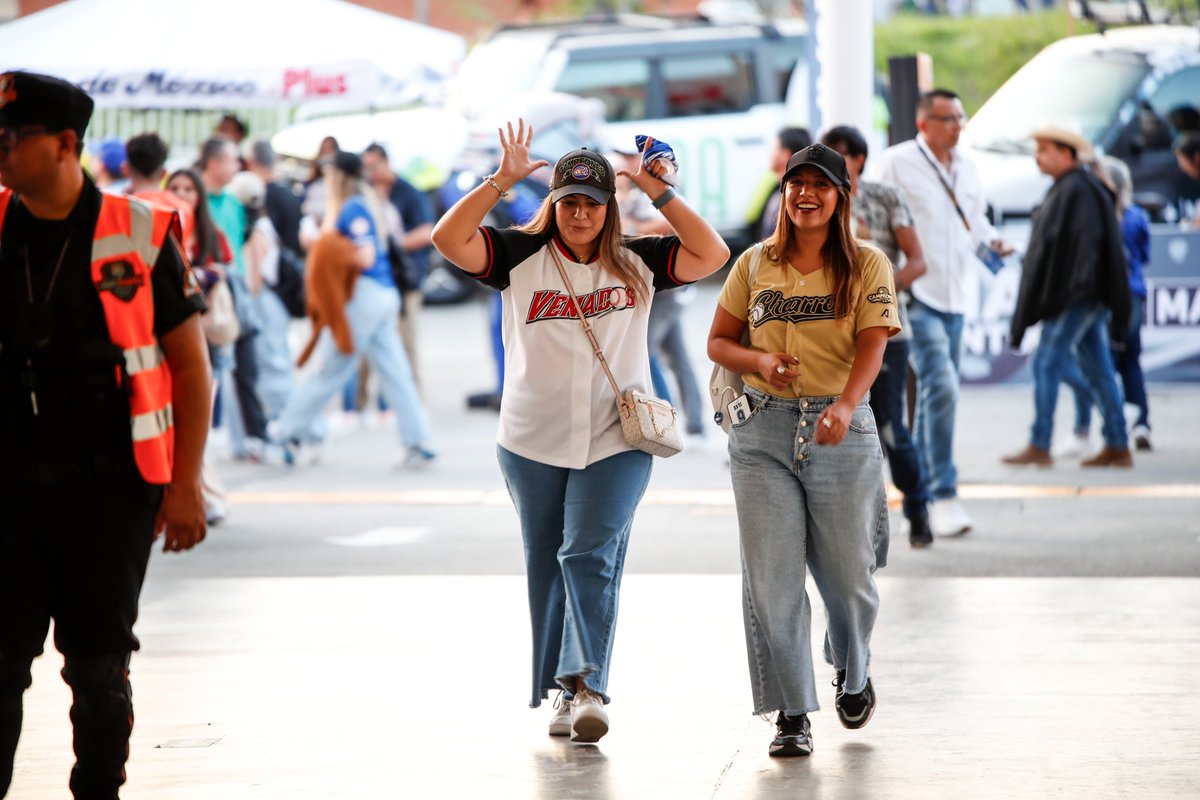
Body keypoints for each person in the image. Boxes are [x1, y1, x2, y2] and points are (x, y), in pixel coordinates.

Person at [431, 121, 729, 744]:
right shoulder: (517, 256)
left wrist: (661, 194)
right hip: (530, 441)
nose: (580, 215)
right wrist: (499, 181)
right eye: (569, 203)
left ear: (610, 209)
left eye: (593, 205)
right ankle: (562, 693)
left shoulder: (640, 262)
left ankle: (587, 688)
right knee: (549, 562)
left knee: (585, 553)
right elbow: (448, 238)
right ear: (553, 204)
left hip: (618, 439)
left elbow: (712, 255)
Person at [0, 71, 210, 799]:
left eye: (13, 138)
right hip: (8, 495)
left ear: (64, 144)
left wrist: (185, 486)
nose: (1, 150)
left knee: (96, 672)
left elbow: (190, 369)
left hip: (110, 492)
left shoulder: (141, 231)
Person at [707, 143, 897, 758]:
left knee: (848, 576)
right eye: (796, 184)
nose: (806, 194)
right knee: (772, 580)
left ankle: (853, 666)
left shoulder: (868, 264)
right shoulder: (753, 264)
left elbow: (873, 343)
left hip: (840, 428)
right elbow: (718, 342)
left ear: (842, 196)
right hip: (761, 431)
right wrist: (759, 359)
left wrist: (845, 404)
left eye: (821, 185)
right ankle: (791, 711)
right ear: (783, 194)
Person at [878, 88, 1011, 537]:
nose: (958, 125)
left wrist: (992, 241)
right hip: (918, 295)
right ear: (924, 123)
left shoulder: (969, 166)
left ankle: (922, 486)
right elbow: (875, 217)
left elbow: (975, 221)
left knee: (940, 393)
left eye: (961, 116)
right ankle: (942, 491)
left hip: (958, 295)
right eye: (948, 118)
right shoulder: (896, 162)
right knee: (943, 387)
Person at [271, 151, 436, 468]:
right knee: (395, 371)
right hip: (381, 295)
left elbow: (365, 257)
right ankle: (419, 440)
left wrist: (322, 245)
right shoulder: (364, 204)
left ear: (338, 177)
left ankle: (286, 433)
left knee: (331, 368)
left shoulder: (353, 207)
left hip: (367, 295)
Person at [822, 124, 933, 548]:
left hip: (884, 331)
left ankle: (918, 507)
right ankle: (851, 529)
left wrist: (878, 292)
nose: (834, 163)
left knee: (889, 428)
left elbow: (918, 261)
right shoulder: (810, 200)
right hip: (827, 334)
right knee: (836, 427)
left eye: (842, 155)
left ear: (859, 159)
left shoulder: (884, 197)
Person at [1004, 126, 1133, 468]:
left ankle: (1040, 442)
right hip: (1083, 294)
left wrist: (1073, 291)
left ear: (1067, 154)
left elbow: (1084, 249)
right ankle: (1117, 443)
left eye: (1044, 149)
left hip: (1077, 296)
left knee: (1047, 361)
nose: (1038, 155)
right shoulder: (1073, 188)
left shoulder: (1078, 190)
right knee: (1097, 368)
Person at [1058, 156, 1153, 453]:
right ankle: (1139, 423)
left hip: (1105, 296)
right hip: (1132, 293)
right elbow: (1145, 255)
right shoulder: (1136, 216)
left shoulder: (1102, 215)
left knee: (1095, 363)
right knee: (1128, 362)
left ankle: (1100, 423)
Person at [362, 142, 435, 388]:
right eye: (366, 167)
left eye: (374, 166)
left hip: (405, 278)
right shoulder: (366, 192)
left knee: (406, 341)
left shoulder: (408, 192)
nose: (370, 172)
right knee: (368, 345)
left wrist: (393, 246)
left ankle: (413, 397)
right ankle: (365, 403)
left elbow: (426, 231)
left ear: (386, 163)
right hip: (376, 279)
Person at [229, 170, 293, 420]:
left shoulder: (255, 228)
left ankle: (285, 426)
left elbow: (255, 275)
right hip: (263, 301)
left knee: (271, 367)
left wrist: (248, 305)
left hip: (259, 301)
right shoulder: (256, 224)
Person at [125, 132, 194, 254]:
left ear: (126, 169)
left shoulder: (120, 208)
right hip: (173, 272)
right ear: (164, 173)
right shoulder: (183, 209)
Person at [748, 126, 813, 242]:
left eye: (775, 148)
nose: (770, 153)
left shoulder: (792, 198)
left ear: (785, 154)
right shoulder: (777, 190)